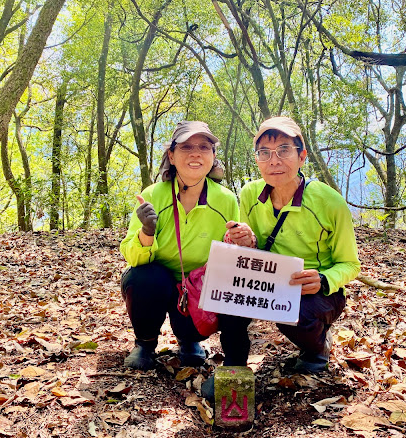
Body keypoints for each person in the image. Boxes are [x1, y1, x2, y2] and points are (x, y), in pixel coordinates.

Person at [215, 116, 360, 379]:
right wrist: (246, 241)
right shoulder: (250, 194)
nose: (274, 161)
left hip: (315, 289)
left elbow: (350, 264)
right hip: (269, 281)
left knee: (297, 310)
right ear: (257, 159)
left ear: (302, 156)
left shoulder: (329, 202)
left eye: (284, 150)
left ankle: (316, 349)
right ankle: (234, 366)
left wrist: (324, 280)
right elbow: (251, 252)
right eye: (265, 153)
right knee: (227, 288)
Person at [120, 121, 239, 371]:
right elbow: (132, 256)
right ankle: (145, 343)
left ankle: (190, 341)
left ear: (213, 156)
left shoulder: (226, 200)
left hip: (197, 287)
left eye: (204, 147)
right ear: (172, 156)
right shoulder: (153, 194)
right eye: (186, 147)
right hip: (156, 283)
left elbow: (232, 258)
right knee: (144, 278)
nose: (195, 153)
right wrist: (147, 231)